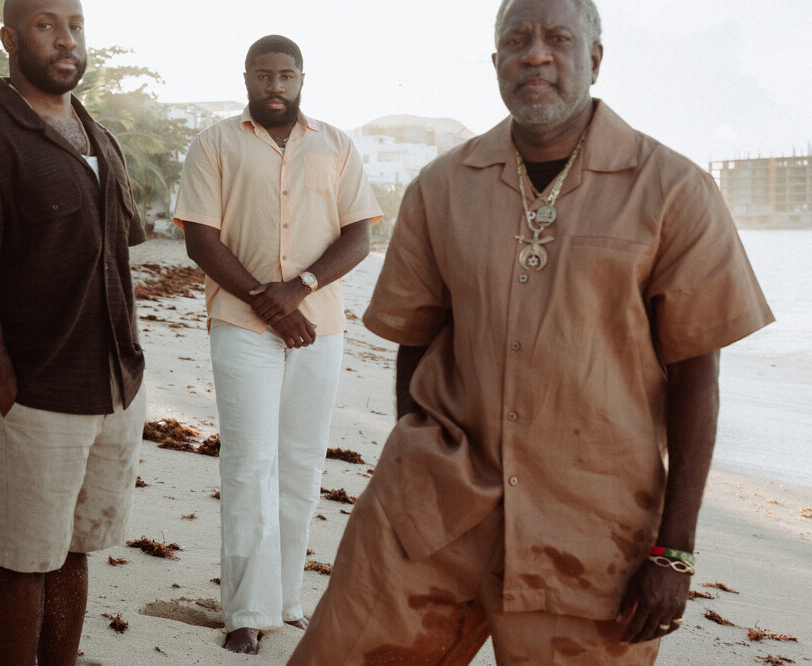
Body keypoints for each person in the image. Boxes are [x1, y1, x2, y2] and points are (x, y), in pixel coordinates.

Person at [290, 0, 775, 663]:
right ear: (497, 64)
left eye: (558, 39)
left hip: (593, 534)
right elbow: (416, 338)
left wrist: (676, 551)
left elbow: (697, 373)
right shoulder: (442, 187)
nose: (536, 54)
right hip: (432, 515)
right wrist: (417, 461)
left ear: (594, 59)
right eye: (516, 40)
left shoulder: (672, 189)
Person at [0, 0, 148, 662]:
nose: (66, 40)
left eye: (75, 26)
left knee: (74, 550)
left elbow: (117, 253)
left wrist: (129, 378)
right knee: (24, 560)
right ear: (9, 38)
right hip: (34, 393)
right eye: (47, 25)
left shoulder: (98, 136)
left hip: (113, 386)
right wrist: (3, 383)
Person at [173, 35, 382, 655]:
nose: (275, 86)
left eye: (285, 75)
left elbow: (358, 236)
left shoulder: (337, 145)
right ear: (247, 78)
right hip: (241, 326)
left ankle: (286, 601)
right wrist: (269, 301)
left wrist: (301, 290)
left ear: (301, 78)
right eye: (263, 75)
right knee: (248, 465)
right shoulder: (214, 142)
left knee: (301, 465)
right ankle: (245, 610)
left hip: (320, 328)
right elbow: (201, 240)